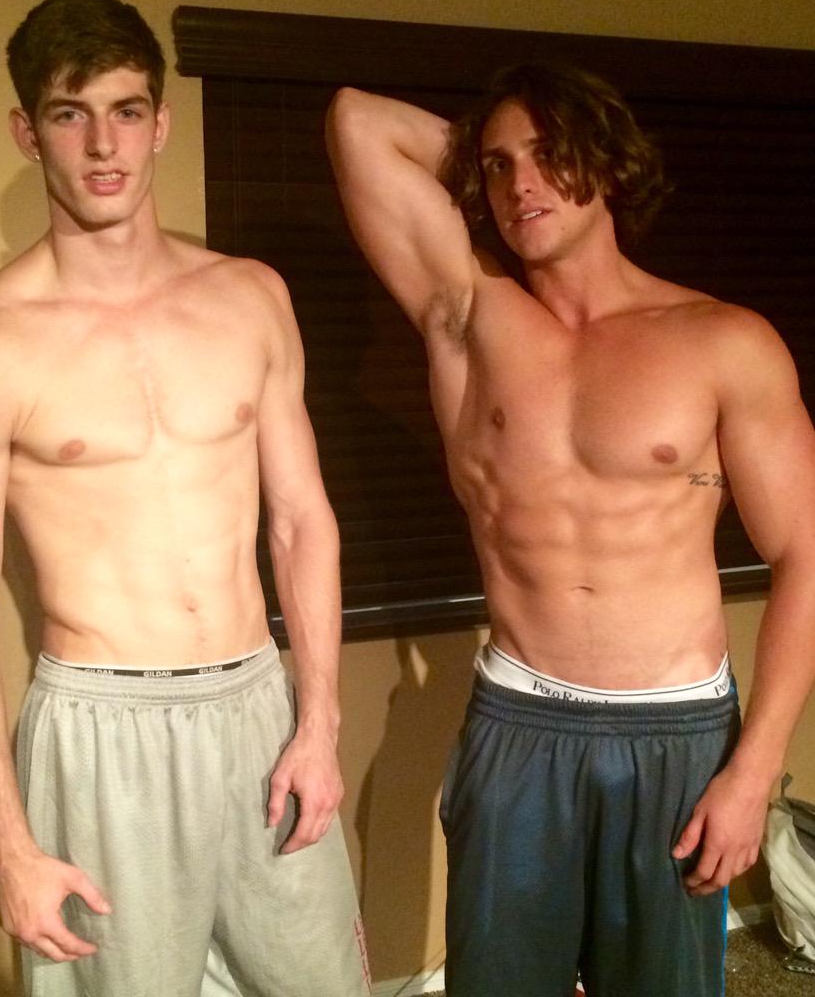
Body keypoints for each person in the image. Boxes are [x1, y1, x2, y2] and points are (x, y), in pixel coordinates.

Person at [327, 63, 815, 996]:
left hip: (677, 732)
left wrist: (754, 773)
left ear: (607, 162)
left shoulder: (723, 340)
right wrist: (486, 159)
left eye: (550, 155)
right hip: (520, 723)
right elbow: (357, 123)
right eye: (499, 166)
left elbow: (805, 555)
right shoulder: (468, 312)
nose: (522, 184)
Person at [0, 0, 370, 997]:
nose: (102, 145)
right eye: (69, 114)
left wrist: (319, 722)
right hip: (99, 730)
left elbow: (301, 522)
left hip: (258, 708)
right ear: (27, 132)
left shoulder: (250, 297)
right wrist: (6, 845)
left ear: (160, 122)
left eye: (125, 111)